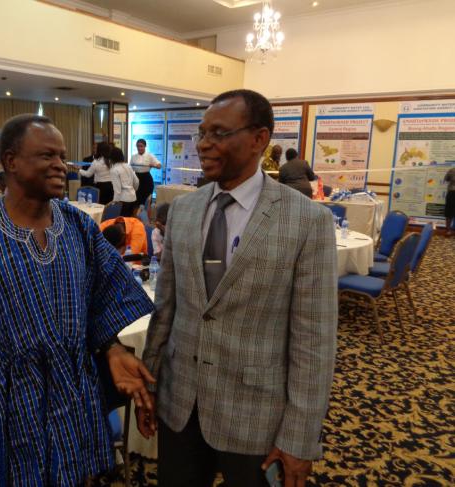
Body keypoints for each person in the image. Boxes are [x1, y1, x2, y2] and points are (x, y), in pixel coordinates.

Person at [0, 114, 156, 486]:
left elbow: (102, 299)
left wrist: (114, 350)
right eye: (46, 155)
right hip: (2, 403)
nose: (60, 165)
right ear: (11, 162)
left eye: (63, 156)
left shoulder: (78, 226)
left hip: (73, 395)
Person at [138, 89, 338, 487]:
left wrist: (300, 437)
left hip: (256, 414)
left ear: (259, 139)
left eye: (219, 133)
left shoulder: (306, 221)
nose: (203, 144)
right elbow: (166, 310)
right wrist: (150, 384)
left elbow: (313, 340)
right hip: (180, 403)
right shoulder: (183, 210)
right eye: (201, 133)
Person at [109, 147, 140, 217]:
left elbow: (117, 190)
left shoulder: (114, 170)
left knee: (121, 223)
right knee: (129, 221)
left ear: (111, 158)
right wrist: (133, 190)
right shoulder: (128, 166)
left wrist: (114, 203)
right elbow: (137, 181)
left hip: (122, 200)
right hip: (133, 198)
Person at [130, 139, 161, 207]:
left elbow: (159, 166)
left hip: (147, 179)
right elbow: (130, 168)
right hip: (136, 179)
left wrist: (152, 165)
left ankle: (146, 216)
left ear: (145, 146)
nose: (139, 148)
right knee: (136, 200)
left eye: (141, 146)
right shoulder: (133, 156)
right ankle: (136, 216)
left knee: (146, 201)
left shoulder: (149, 155)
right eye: (138, 146)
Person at [445, 166, 455, 235]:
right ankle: (448, 230)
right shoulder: (451, 170)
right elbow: (446, 179)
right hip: (452, 193)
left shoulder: (451, 170)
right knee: (449, 212)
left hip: (452, 192)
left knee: (449, 212)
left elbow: (446, 179)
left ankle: (448, 231)